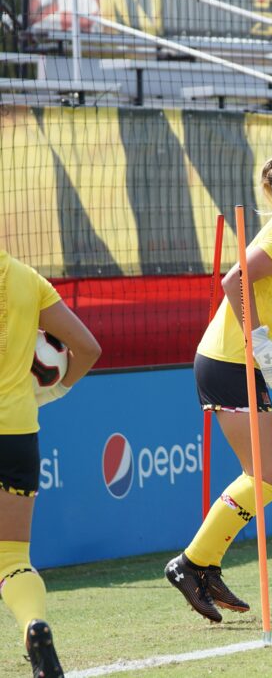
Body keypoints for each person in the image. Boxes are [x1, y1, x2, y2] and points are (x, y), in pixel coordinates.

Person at [165, 153, 272, 623]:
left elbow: (260, 294)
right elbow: (234, 279)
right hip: (228, 360)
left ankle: (201, 563)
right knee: (264, 477)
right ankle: (192, 564)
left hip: (238, 361)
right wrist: (258, 340)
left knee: (266, 477)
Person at [1, 250, 102, 677]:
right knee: (11, 558)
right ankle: (33, 625)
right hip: (17, 431)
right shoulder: (25, 278)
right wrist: (53, 392)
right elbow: (87, 349)